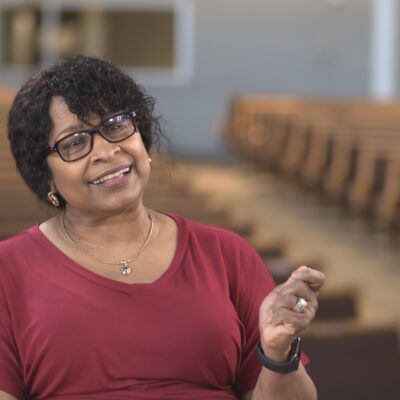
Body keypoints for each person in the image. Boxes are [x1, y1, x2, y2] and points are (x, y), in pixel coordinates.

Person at [0, 55, 325, 400]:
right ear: (45, 174)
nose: (107, 152)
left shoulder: (226, 254)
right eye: (75, 142)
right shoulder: (8, 271)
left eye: (116, 125)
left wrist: (278, 353)